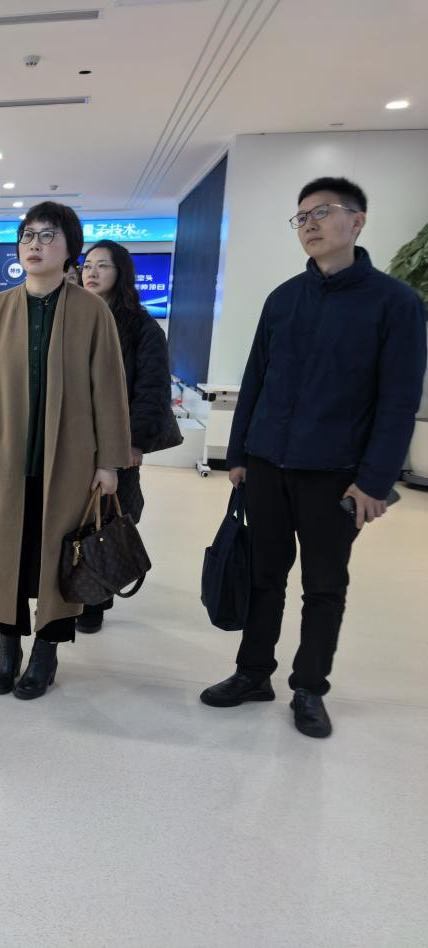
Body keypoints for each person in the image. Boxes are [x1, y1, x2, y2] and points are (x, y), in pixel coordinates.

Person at [201, 176, 426, 738]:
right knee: (263, 576)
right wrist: (238, 453)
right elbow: (256, 379)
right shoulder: (283, 299)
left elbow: (399, 402)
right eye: (301, 217)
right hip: (267, 465)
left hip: (336, 475)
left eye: (322, 212)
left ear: (357, 221)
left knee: (324, 585)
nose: (309, 224)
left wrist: (374, 481)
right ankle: (253, 673)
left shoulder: (396, 304)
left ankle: (308, 687)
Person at [0, 202, 130, 700]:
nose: (34, 244)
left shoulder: (91, 312)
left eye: (48, 235)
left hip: (70, 464)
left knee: (58, 558)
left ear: (71, 248)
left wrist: (108, 462)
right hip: (7, 461)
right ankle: (8, 647)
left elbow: (109, 391)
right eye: (28, 236)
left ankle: (47, 651)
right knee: (6, 555)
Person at [74, 239, 176, 631]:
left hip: (117, 442)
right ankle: (71, 589)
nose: (92, 272)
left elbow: (151, 390)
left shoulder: (142, 327)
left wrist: (132, 442)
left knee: (108, 519)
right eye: (87, 265)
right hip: (74, 439)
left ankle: (96, 599)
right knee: (72, 515)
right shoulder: (74, 319)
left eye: (103, 265)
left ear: (121, 273)